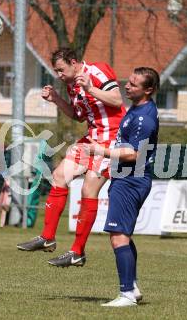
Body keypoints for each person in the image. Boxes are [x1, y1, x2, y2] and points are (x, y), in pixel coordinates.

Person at [17, 47, 126, 267]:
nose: (58, 75)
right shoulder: (71, 85)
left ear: (74, 62)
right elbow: (78, 116)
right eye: (56, 71)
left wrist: (90, 88)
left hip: (112, 139)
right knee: (58, 176)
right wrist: (56, 99)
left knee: (88, 189)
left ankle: (77, 252)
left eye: (61, 70)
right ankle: (47, 238)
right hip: (91, 137)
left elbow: (116, 99)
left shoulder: (97, 71)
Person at [86, 67, 159, 307]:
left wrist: (101, 151)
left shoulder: (143, 118)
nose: (127, 86)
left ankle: (126, 293)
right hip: (125, 178)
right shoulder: (134, 110)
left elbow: (134, 154)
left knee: (118, 237)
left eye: (134, 85)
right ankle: (133, 287)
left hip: (131, 179)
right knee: (123, 235)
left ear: (148, 90)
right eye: (129, 82)